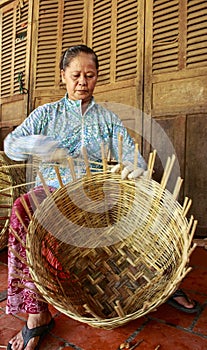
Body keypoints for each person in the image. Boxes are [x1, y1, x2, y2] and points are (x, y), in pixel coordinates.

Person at [4, 45, 199, 350]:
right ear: (63, 77)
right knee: (22, 208)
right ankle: (37, 315)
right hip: (54, 191)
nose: (83, 81)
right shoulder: (46, 114)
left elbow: (133, 159)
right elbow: (11, 145)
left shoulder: (107, 118)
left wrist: (135, 171)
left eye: (90, 75)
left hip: (96, 194)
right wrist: (35, 144)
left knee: (153, 201)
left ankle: (165, 282)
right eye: (76, 75)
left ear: (97, 78)